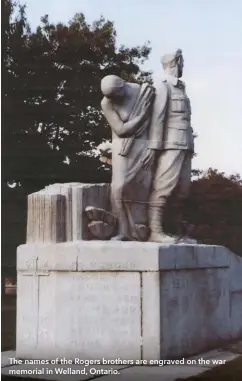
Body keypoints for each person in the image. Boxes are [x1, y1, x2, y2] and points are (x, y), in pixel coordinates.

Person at [142, 49, 195, 243]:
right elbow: (158, 118)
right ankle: (155, 231)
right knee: (164, 187)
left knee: (182, 191)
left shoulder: (181, 87)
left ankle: (176, 231)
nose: (183, 66)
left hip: (185, 144)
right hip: (170, 144)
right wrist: (153, 148)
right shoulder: (162, 86)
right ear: (177, 62)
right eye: (182, 62)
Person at [101, 75, 155, 241]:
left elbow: (156, 122)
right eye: (111, 97)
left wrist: (153, 147)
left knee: (144, 187)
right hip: (122, 148)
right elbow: (121, 129)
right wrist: (142, 117)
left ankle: (145, 230)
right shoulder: (106, 102)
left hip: (144, 145)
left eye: (116, 95)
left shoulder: (140, 92)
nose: (113, 99)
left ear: (122, 86)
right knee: (119, 187)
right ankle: (123, 230)